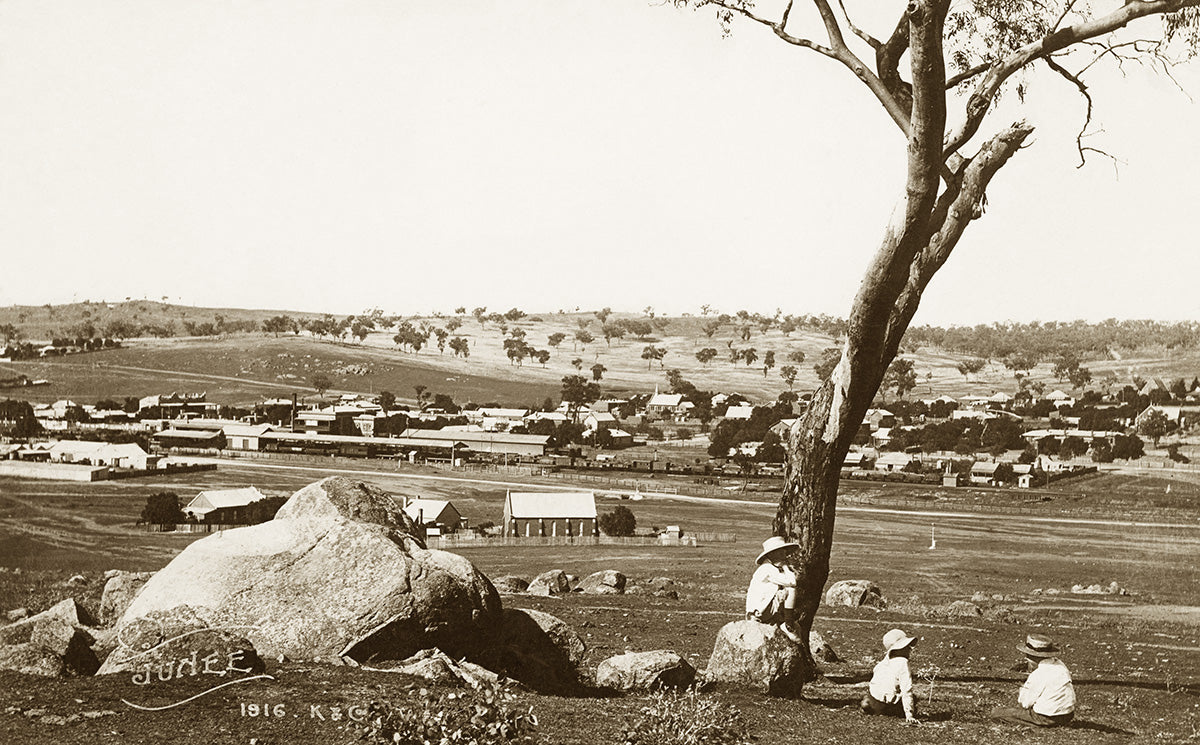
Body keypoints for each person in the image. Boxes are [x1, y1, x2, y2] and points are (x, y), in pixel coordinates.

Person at [990, 634, 1075, 727]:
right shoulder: (1060, 665)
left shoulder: (1039, 673)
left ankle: (1041, 723)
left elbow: (1025, 703)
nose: (1026, 658)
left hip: (1047, 717)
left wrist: (1022, 692)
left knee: (996, 713)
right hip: (1068, 715)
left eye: (1027, 655)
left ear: (1032, 656)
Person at [745, 536, 803, 644]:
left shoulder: (771, 568)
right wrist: (786, 566)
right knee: (790, 589)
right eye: (781, 553)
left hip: (761, 609)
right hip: (759, 611)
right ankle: (788, 624)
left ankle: (784, 621)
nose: (784, 555)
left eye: (784, 552)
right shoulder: (767, 569)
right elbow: (792, 582)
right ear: (772, 555)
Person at [860, 629, 920, 724]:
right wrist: (909, 714)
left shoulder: (881, 664)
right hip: (888, 705)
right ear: (901, 648)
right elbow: (906, 689)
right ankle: (891, 709)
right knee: (914, 698)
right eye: (908, 646)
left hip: (874, 700)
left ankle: (868, 704)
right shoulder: (903, 662)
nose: (910, 649)